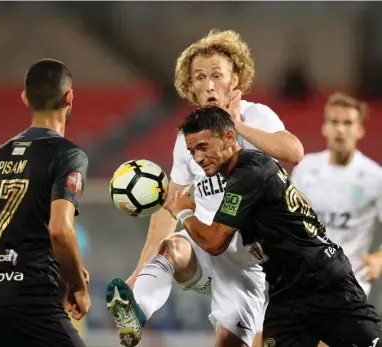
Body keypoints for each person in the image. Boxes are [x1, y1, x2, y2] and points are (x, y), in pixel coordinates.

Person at [106, 29, 304, 347]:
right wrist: (139, 273)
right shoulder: (187, 140)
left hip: (251, 258)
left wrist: (235, 124)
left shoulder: (257, 116)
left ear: (235, 80)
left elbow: (293, 152)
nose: (209, 84)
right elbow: (173, 203)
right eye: (200, 77)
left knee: (231, 343)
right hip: (205, 245)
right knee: (172, 248)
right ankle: (137, 311)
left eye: (216, 75)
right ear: (191, 87)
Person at [165, 105, 382, 347]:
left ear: (229, 137)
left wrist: (184, 212)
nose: (198, 158)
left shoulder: (248, 174)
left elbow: (215, 242)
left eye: (203, 147)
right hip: (286, 293)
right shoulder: (253, 167)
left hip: (324, 284)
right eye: (192, 151)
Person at [0, 58, 91, 347]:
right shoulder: (67, 155)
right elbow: (60, 230)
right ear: (69, 97)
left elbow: (2, 231)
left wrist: (67, 269)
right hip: (29, 302)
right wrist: (78, 286)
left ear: (24, 98)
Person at [290, 92, 382, 347]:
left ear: (360, 130)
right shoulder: (306, 168)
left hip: (348, 279)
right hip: (303, 274)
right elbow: (290, 220)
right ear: (325, 127)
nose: (340, 129)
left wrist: (378, 258)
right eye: (334, 122)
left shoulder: (375, 177)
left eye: (348, 123)